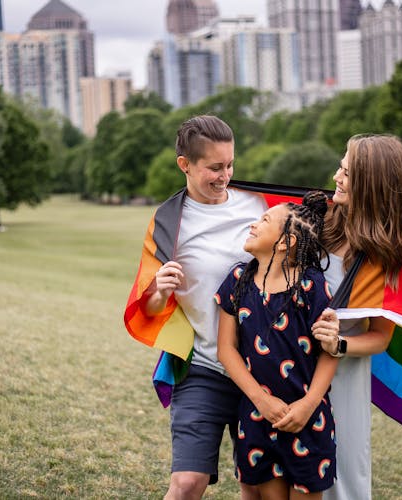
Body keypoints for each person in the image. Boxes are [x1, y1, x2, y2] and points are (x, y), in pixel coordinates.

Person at [137, 115, 268, 499]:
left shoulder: (258, 204)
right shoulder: (168, 221)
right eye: (214, 167)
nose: (225, 175)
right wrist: (160, 291)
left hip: (262, 367)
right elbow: (147, 305)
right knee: (187, 483)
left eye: (229, 164)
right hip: (204, 369)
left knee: (257, 486)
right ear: (185, 165)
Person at [310, 134, 402, 500]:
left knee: (341, 478)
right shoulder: (321, 218)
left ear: (370, 183)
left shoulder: (389, 256)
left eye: (346, 173)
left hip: (343, 380)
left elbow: (381, 336)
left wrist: (340, 343)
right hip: (294, 368)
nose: (335, 177)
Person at [216, 191, 339, 499]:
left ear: (285, 242)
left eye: (265, 219)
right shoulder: (237, 280)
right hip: (258, 418)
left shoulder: (312, 286)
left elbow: (329, 353)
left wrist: (308, 405)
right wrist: (261, 400)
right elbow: (226, 350)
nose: (255, 224)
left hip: (307, 420)